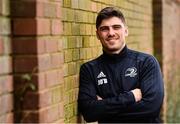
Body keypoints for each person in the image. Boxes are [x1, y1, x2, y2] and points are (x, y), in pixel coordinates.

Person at [78, 7, 164, 123]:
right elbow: (89, 112)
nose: (111, 33)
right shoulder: (89, 69)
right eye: (104, 29)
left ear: (126, 31)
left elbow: (151, 108)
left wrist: (103, 108)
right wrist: (131, 97)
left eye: (116, 27)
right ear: (98, 35)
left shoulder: (146, 62)